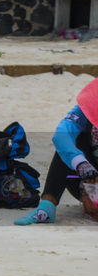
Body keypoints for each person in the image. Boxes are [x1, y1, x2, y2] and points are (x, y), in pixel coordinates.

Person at [15, 78, 98, 224]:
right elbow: (61, 136)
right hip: (85, 175)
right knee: (72, 141)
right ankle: (47, 207)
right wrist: (80, 164)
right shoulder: (86, 107)